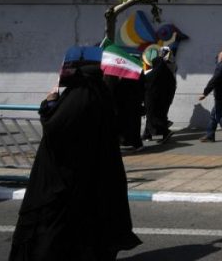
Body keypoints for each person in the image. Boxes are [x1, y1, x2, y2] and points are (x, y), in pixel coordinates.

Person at [10, 57, 141, 260]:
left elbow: (55, 128)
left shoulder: (78, 98)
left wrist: (50, 102)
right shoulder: (101, 96)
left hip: (64, 175)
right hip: (92, 172)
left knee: (54, 225)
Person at [142, 46, 177, 144]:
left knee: (156, 115)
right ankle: (147, 134)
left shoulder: (165, 66)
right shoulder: (165, 66)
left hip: (160, 95)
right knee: (154, 114)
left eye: (163, 52)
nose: (161, 54)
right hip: (163, 95)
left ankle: (163, 131)